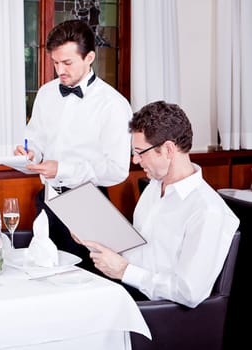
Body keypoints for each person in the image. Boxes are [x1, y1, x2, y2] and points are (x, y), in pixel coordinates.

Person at [76, 101, 239, 307]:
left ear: (168, 149)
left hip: (158, 312)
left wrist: (125, 271)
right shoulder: (154, 187)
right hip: (126, 291)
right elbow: (141, 252)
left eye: (140, 152)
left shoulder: (208, 210)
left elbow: (189, 291)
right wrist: (96, 237)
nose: (135, 160)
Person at [14, 19, 132, 269]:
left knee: (86, 280)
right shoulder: (46, 93)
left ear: (89, 57)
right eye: (55, 62)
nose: (60, 70)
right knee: (44, 273)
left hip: (88, 203)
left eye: (67, 63)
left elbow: (117, 170)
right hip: (47, 198)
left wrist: (63, 169)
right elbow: (35, 137)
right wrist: (30, 152)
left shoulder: (113, 105)